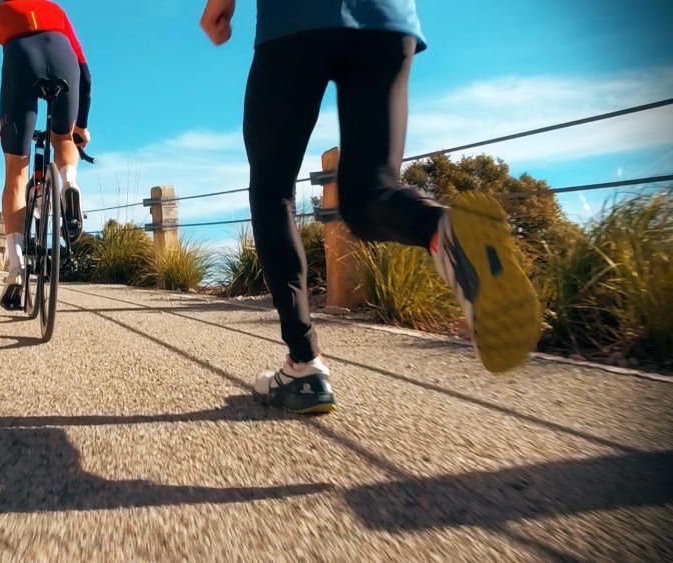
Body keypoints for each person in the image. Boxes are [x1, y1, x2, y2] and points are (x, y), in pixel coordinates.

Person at [200, 0, 542, 414]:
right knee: (370, 195)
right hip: (387, 19)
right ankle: (442, 228)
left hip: (294, 20)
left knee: (273, 190)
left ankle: (304, 364)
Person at [0, 0, 92, 308]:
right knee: (63, 140)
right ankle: (69, 185)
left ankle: (16, 267)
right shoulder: (56, 10)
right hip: (64, 58)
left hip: (21, 61)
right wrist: (82, 128)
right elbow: (86, 75)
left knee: (16, 170)